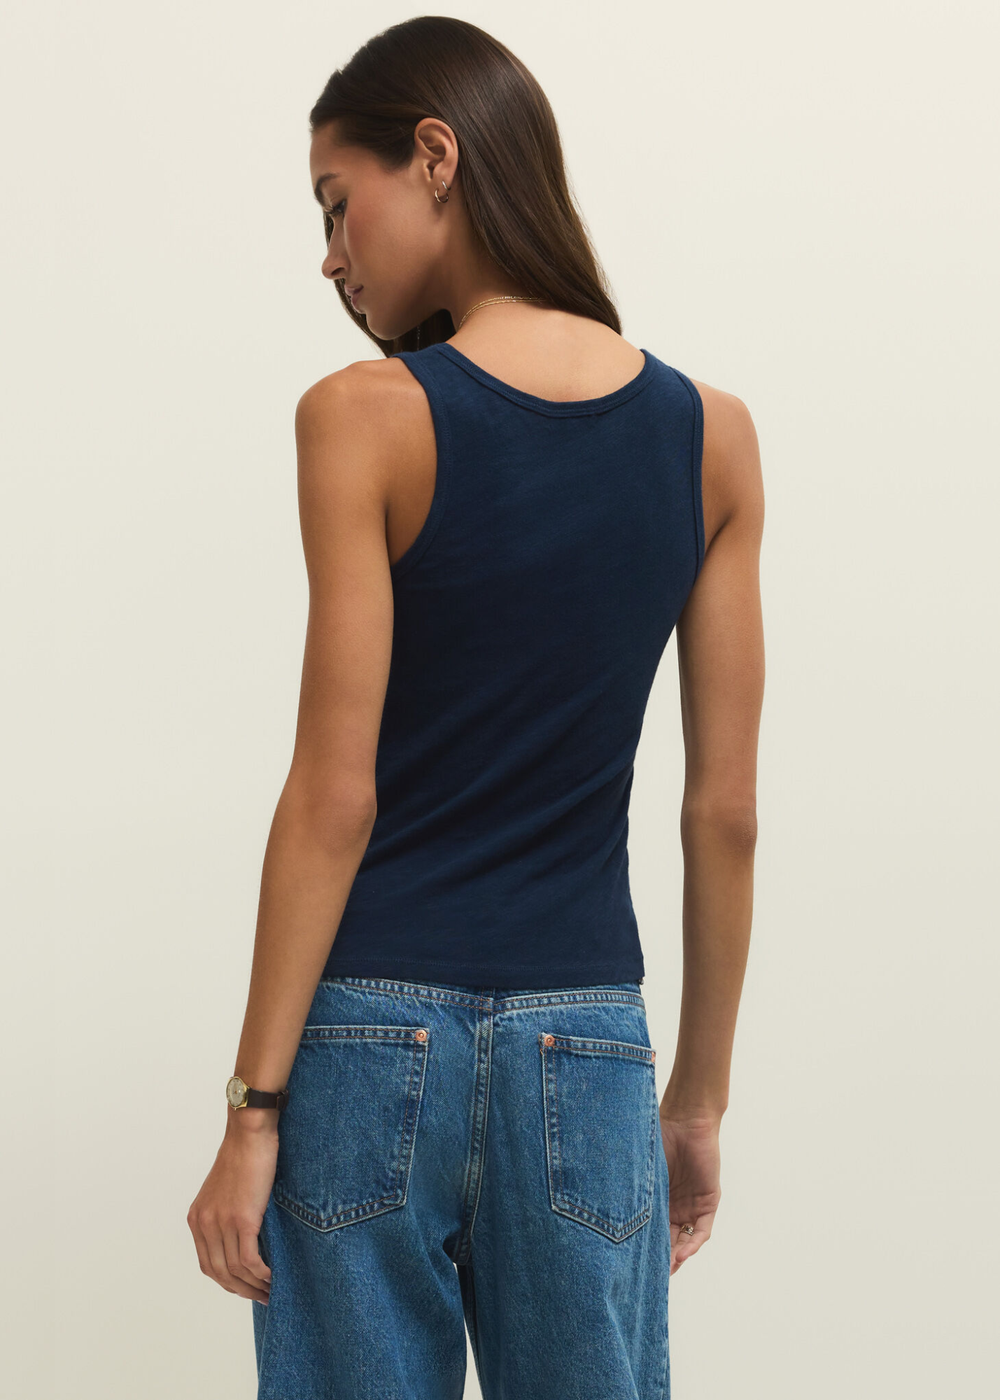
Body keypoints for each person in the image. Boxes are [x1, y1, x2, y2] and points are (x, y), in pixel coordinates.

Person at [187, 16, 764, 1400]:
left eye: (339, 203)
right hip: (592, 1045)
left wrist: (254, 1111)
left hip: (367, 1040)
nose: (332, 254)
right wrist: (695, 1099)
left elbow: (335, 793)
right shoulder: (713, 437)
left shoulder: (364, 417)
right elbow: (726, 813)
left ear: (434, 157)